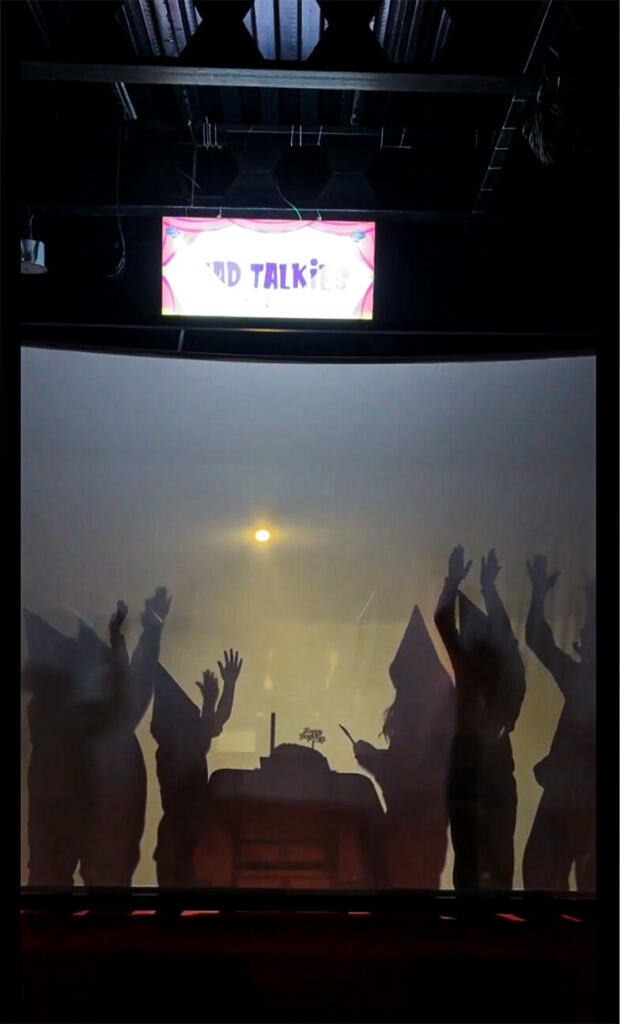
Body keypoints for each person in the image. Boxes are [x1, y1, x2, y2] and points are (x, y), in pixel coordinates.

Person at [434, 547, 525, 891]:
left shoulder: (472, 670)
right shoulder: (511, 674)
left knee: (471, 859)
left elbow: (442, 619)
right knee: (496, 856)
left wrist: (455, 581)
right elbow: (500, 635)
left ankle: (473, 923)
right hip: (492, 772)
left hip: (471, 773)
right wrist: (486, 588)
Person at [353, 604, 455, 888]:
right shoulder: (436, 713)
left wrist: (371, 759)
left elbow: (408, 774)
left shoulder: (427, 717)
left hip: (415, 830)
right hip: (419, 830)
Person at [82, 589, 172, 886]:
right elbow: (137, 676)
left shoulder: (112, 736)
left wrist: (146, 631)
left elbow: (138, 676)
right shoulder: (107, 738)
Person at [522, 556, 595, 891]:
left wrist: (538, 594)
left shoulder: (582, 681)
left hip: (573, 800)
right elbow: (540, 641)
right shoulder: (580, 680)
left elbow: (540, 641)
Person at [151, 649, 243, 887]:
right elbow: (211, 726)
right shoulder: (174, 752)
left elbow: (213, 722)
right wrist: (215, 697)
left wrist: (224, 689)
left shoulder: (179, 746)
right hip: (180, 833)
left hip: (190, 833)